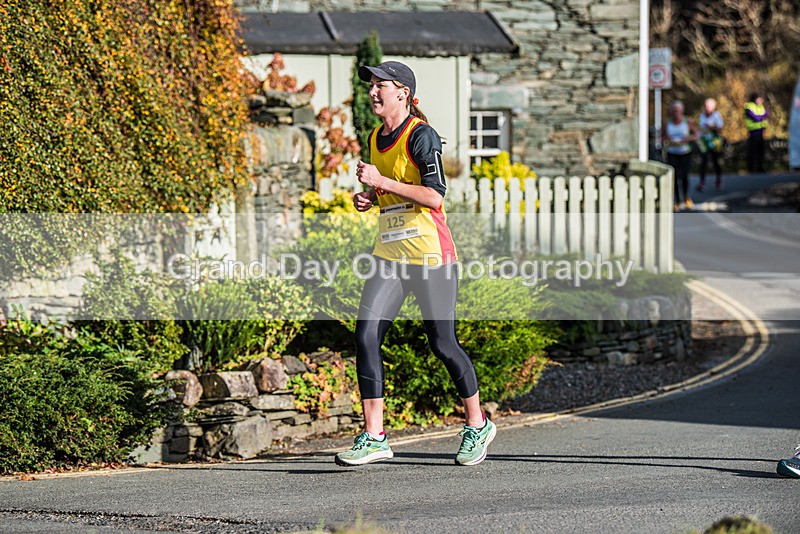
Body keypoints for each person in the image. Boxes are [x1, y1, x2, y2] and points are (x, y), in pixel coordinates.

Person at [334, 61, 496, 467]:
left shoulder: (420, 135)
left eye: (380, 86)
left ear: (403, 92)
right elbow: (388, 192)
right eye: (371, 86)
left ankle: (477, 424)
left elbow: (434, 196)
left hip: (430, 256)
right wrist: (369, 198)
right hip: (389, 254)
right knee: (366, 335)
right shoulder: (374, 136)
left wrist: (382, 183)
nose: (373, 92)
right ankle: (374, 436)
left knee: (443, 344)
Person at [663, 100, 697, 211]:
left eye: (677, 110)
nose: (675, 113)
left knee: (685, 176)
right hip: (672, 152)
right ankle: (677, 200)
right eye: (673, 111)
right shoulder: (667, 123)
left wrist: (687, 139)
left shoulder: (687, 121)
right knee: (674, 176)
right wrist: (668, 140)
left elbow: (696, 135)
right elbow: (662, 137)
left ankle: (686, 196)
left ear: (681, 111)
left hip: (685, 152)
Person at [697, 98, 724, 192]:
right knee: (703, 162)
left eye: (709, 107)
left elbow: (720, 129)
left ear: (714, 107)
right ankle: (702, 183)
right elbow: (699, 129)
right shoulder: (701, 116)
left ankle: (718, 180)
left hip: (715, 142)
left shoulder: (717, 116)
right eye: (706, 106)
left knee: (716, 162)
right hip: (704, 142)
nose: (707, 108)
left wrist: (712, 127)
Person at [744, 92, 768, 173]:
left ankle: (760, 167)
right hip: (753, 132)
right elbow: (755, 118)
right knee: (752, 151)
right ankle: (751, 168)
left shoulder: (760, 106)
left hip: (760, 131)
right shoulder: (748, 106)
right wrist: (761, 116)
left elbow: (767, 114)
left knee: (760, 151)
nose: (761, 101)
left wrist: (760, 117)